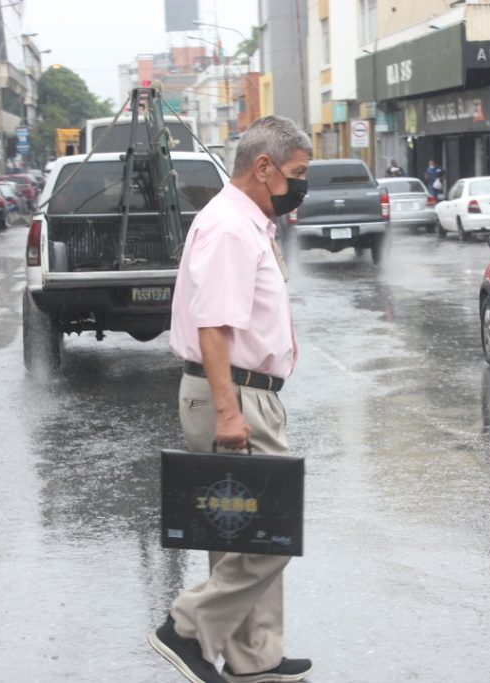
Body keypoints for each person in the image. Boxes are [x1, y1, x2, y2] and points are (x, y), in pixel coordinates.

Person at [149, 115, 314, 683]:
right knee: (272, 530)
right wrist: (227, 412)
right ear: (263, 167)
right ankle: (187, 627)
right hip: (235, 394)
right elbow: (213, 328)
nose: (299, 186)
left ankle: (255, 656)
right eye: (296, 174)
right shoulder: (228, 228)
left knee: (239, 533)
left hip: (247, 392)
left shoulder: (247, 222)